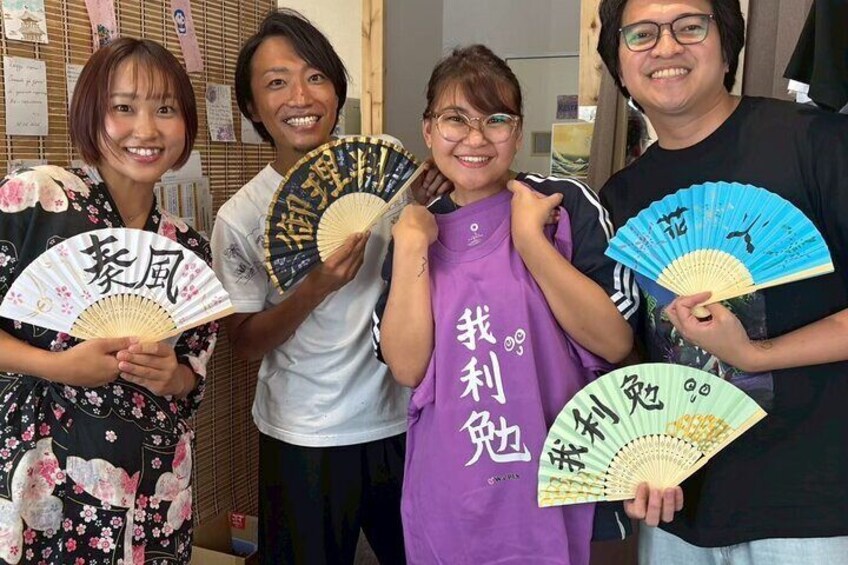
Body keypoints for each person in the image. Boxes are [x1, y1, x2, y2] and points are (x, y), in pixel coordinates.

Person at [596, 0, 848, 563]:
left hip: (812, 512)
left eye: (690, 26)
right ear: (619, 63)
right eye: (641, 34)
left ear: (728, 44)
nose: (666, 47)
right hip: (681, 513)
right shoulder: (621, 197)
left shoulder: (817, 142)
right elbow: (634, 356)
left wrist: (757, 354)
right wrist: (639, 458)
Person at [373, 44, 638, 564]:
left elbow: (613, 341)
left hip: (562, 481)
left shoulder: (564, 206)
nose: (475, 138)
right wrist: (410, 244)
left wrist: (531, 242)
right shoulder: (413, 232)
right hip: (453, 491)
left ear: (517, 133)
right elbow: (407, 367)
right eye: (455, 119)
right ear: (428, 131)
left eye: (496, 120)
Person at [211, 8, 448, 565]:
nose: (301, 96)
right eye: (277, 83)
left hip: (402, 416)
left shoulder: (385, 170)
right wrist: (312, 288)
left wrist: (423, 206)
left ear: (337, 91)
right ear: (252, 107)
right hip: (305, 432)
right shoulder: (241, 217)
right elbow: (243, 343)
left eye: (315, 76)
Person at [0, 38, 218, 564]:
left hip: (155, 482)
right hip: (44, 475)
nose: (146, 130)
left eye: (165, 109)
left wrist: (172, 376)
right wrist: (57, 366)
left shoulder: (188, 246)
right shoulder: (37, 198)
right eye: (123, 107)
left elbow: (192, 377)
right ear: (90, 114)